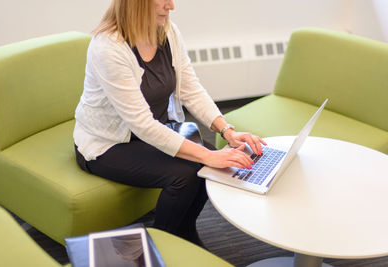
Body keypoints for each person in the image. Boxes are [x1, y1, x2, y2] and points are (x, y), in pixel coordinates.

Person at [73, 0, 266, 247]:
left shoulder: (167, 32)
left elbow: (190, 88)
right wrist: (207, 156)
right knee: (186, 173)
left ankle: (184, 234)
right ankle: (161, 246)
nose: (171, 5)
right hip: (108, 144)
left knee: (209, 164)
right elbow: (141, 123)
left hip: (154, 132)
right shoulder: (108, 47)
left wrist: (227, 131)